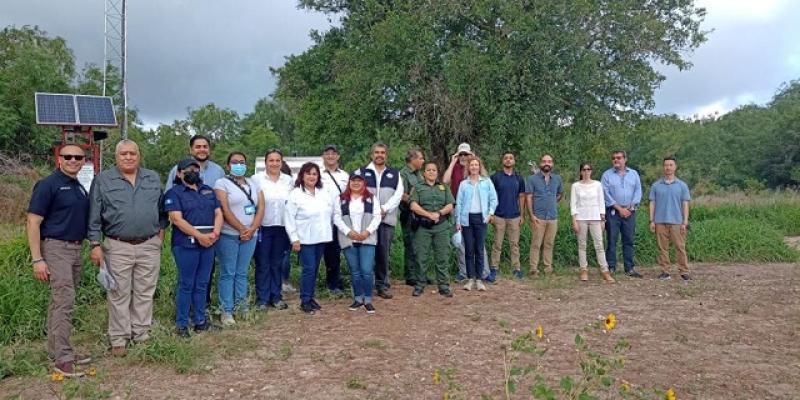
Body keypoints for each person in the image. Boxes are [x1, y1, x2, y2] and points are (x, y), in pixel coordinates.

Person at [88, 140, 167, 358]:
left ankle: (141, 333)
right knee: (118, 292)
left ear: (139, 155)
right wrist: (95, 244)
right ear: (117, 156)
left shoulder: (152, 178)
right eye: (124, 154)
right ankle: (119, 337)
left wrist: (160, 235)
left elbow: (162, 211)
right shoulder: (103, 180)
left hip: (149, 245)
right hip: (117, 245)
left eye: (133, 153)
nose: (129, 157)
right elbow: (94, 215)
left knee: (145, 291)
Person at [26, 144, 91, 376]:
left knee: (60, 302)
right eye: (68, 156)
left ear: (84, 161)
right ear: (59, 159)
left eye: (78, 157)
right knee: (64, 301)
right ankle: (63, 359)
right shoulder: (48, 185)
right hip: (55, 248)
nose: (73, 160)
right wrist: (37, 259)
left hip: (74, 249)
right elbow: (33, 222)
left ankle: (59, 350)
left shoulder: (78, 187)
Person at [163, 158, 223, 338]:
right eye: (188, 169)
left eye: (196, 169)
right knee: (186, 284)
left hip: (209, 244)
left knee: (202, 284)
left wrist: (215, 234)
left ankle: (200, 321)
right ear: (179, 173)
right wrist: (200, 237)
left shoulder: (208, 191)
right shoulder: (174, 193)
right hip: (185, 245)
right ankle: (182, 324)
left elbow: (218, 213)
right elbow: (177, 219)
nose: (193, 172)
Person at [214, 152, 264, 326]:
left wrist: (252, 229)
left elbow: (261, 207)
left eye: (242, 162)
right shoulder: (221, 183)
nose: (238, 165)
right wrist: (242, 228)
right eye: (234, 162)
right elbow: (224, 209)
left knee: (242, 273)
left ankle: (242, 307)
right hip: (229, 235)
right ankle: (226, 311)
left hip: (251, 235)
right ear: (228, 166)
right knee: (228, 273)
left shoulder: (253, 183)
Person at [354, 142, 403, 299]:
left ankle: (382, 285)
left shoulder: (395, 174)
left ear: (386, 155)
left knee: (383, 253)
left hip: (385, 220)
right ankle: (363, 285)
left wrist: (384, 209)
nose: (379, 155)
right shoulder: (360, 172)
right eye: (376, 152)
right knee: (364, 252)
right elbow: (355, 192)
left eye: (382, 152)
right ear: (371, 154)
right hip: (366, 220)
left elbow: (398, 194)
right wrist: (373, 209)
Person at [285, 162, 334, 314]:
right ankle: (305, 300)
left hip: (321, 237)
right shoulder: (295, 194)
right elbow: (289, 217)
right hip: (304, 239)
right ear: (302, 175)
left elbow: (331, 213)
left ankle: (311, 297)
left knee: (315, 269)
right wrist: (294, 239)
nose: (311, 176)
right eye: (308, 173)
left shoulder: (323, 193)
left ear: (318, 176)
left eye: (314, 174)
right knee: (309, 269)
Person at [251, 149, 293, 311]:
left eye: (277, 160)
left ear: (281, 163)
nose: (274, 163)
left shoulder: (288, 180)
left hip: (282, 227)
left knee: (277, 263)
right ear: (265, 163)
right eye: (271, 160)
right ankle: (262, 299)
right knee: (262, 263)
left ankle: (276, 297)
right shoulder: (256, 180)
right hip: (263, 227)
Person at [334, 173, 382, 314]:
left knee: (366, 271)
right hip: (349, 238)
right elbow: (337, 218)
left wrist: (367, 231)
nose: (356, 183)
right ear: (349, 183)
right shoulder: (341, 199)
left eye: (359, 181)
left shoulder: (371, 198)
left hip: (367, 238)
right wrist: (348, 232)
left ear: (363, 183)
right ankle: (358, 298)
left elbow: (377, 217)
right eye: (353, 181)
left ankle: (368, 299)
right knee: (354, 271)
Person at [443, 142, 492, 282]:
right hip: (459, 210)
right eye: (461, 154)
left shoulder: (475, 168)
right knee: (462, 242)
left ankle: (484, 272)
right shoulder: (455, 167)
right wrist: (453, 162)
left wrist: (474, 160)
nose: (463, 157)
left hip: (477, 211)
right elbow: (445, 180)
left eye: (466, 154)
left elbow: (485, 180)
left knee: (479, 243)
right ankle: (464, 272)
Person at [409, 161, 456, 297]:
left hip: (441, 227)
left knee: (442, 257)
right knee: (421, 257)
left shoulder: (443, 187)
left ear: (437, 173)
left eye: (434, 170)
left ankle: (443, 286)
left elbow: (450, 205)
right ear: (424, 173)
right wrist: (429, 215)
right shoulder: (417, 187)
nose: (431, 172)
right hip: (423, 227)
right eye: (428, 170)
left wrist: (439, 213)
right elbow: (413, 205)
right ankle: (419, 285)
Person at [455, 156, 498, 291]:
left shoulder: (486, 182)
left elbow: (494, 199)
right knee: (468, 250)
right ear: (468, 168)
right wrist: (458, 221)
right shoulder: (463, 184)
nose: (474, 167)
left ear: (480, 167)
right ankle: (470, 279)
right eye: (471, 165)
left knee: (479, 249)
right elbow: (459, 203)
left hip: (481, 219)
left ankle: (479, 280)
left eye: (476, 165)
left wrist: (490, 213)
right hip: (466, 219)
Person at [601, 150, 644, 278]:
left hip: (630, 212)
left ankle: (629, 268)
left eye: (619, 158)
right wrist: (619, 208)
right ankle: (611, 267)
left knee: (629, 240)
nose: (616, 160)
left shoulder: (634, 174)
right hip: (613, 212)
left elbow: (638, 191)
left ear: (625, 159)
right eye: (614, 158)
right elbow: (605, 194)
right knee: (612, 240)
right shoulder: (607, 175)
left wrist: (630, 208)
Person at [570, 162, 615, 283]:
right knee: (582, 245)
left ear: (591, 171)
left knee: (599, 245)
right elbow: (573, 204)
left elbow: (601, 202)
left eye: (588, 169)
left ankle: (605, 270)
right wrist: (574, 220)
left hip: (595, 218)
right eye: (584, 169)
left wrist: (602, 219)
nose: (586, 171)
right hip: (581, 218)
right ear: (580, 171)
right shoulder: (575, 186)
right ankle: (583, 269)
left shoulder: (597, 185)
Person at [649, 156, 692, 281]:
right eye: (666, 165)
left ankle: (684, 271)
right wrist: (652, 220)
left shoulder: (682, 185)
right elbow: (652, 203)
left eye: (670, 165)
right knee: (662, 248)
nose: (668, 167)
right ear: (663, 167)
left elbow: (685, 204)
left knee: (680, 247)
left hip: (677, 222)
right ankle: (665, 271)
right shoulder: (656, 185)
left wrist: (685, 222)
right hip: (660, 221)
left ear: (675, 167)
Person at [489, 151, 527, 279]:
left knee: (514, 244)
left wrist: (522, 215)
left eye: (511, 158)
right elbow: (490, 197)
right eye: (506, 158)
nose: (508, 160)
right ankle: (494, 268)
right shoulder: (495, 177)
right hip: (498, 216)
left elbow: (522, 197)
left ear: (514, 161)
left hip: (515, 216)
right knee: (497, 244)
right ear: (502, 161)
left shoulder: (519, 178)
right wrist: (491, 214)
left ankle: (516, 268)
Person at [526, 154, 564, 276]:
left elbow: (560, 194)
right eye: (544, 161)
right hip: (538, 217)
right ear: (540, 163)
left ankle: (548, 269)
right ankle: (533, 270)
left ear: (552, 164)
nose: (546, 163)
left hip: (552, 217)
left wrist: (551, 202)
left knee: (549, 244)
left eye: (549, 161)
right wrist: (531, 215)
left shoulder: (557, 178)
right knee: (536, 244)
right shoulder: (532, 179)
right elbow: (529, 197)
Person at [319, 144, 350, 296]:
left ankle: (335, 283)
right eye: (327, 153)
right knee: (322, 252)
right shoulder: (316, 174)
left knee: (336, 252)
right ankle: (321, 282)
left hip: (340, 219)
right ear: (323, 156)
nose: (330, 156)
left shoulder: (345, 176)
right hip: (321, 219)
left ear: (338, 156)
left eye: (333, 153)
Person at [398, 147, 425, 286]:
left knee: (420, 244)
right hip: (409, 214)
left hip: (419, 213)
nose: (423, 161)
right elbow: (402, 195)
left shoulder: (419, 174)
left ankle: (420, 274)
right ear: (412, 160)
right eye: (420, 158)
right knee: (411, 244)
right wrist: (415, 202)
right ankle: (410, 276)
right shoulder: (403, 174)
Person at [279, 159, 297, 293]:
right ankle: (283, 281)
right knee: (285, 254)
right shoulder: (292, 186)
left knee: (278, 256)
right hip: (288, 224)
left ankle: (278, 281)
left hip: (276, 224)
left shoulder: (290, 185)